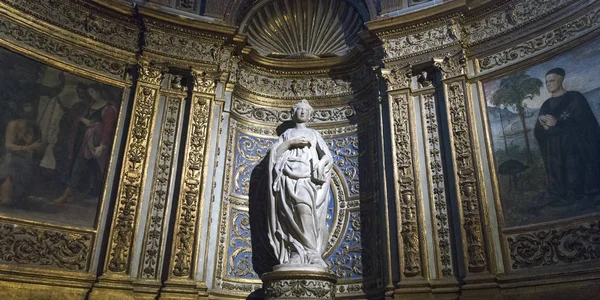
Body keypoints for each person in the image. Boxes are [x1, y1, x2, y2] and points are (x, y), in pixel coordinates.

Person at [268, 99, 333, 268]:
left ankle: (311, 253)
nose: (302, 112)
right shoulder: (287, 134)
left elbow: (327, 156)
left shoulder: (314, 134)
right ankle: (295, 252)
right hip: (287, 178)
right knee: (289, 216)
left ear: (310, 115)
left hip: (306, 178)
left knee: (304, 211)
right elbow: (274, 155)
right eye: (299, 109)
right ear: (293, 113)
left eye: (305, 110)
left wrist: (321, 163)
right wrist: (290, 143)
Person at [534, 68, 600, 207]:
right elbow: (538, 131)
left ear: (561, 80)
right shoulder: (546, 104)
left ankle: (580, 195)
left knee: (574, 173)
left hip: (574, 146)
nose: (548, 84)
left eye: (552, 80)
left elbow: (586, 124)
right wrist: (542, 127)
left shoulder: (575, 98)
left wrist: (557, 123)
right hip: (554, 149)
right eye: (546, 82)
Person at [55, 84, 118, 204]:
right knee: (87, 166)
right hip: (84, 140)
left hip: (95, 141)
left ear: (100, 91)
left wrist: (102, 146)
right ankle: (76, 193)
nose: (91, 95)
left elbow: (107, 129)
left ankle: (67, 194)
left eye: (93, 92)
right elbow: (81, 118)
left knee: (83, 166)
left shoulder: (109, 109)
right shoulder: (91, 105)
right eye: (90, 93)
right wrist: (82, 120)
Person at [0, 101, 46, 206]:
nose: (31, 109)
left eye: (31, 106)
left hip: (27, 162)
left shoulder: (34, 127)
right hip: (12, 159)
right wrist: (28, 147)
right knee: (10, 164)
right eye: (27, 105)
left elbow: (38, 146)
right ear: (21, 109)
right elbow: (8, 146)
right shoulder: (13, 124)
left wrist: (39, 147)